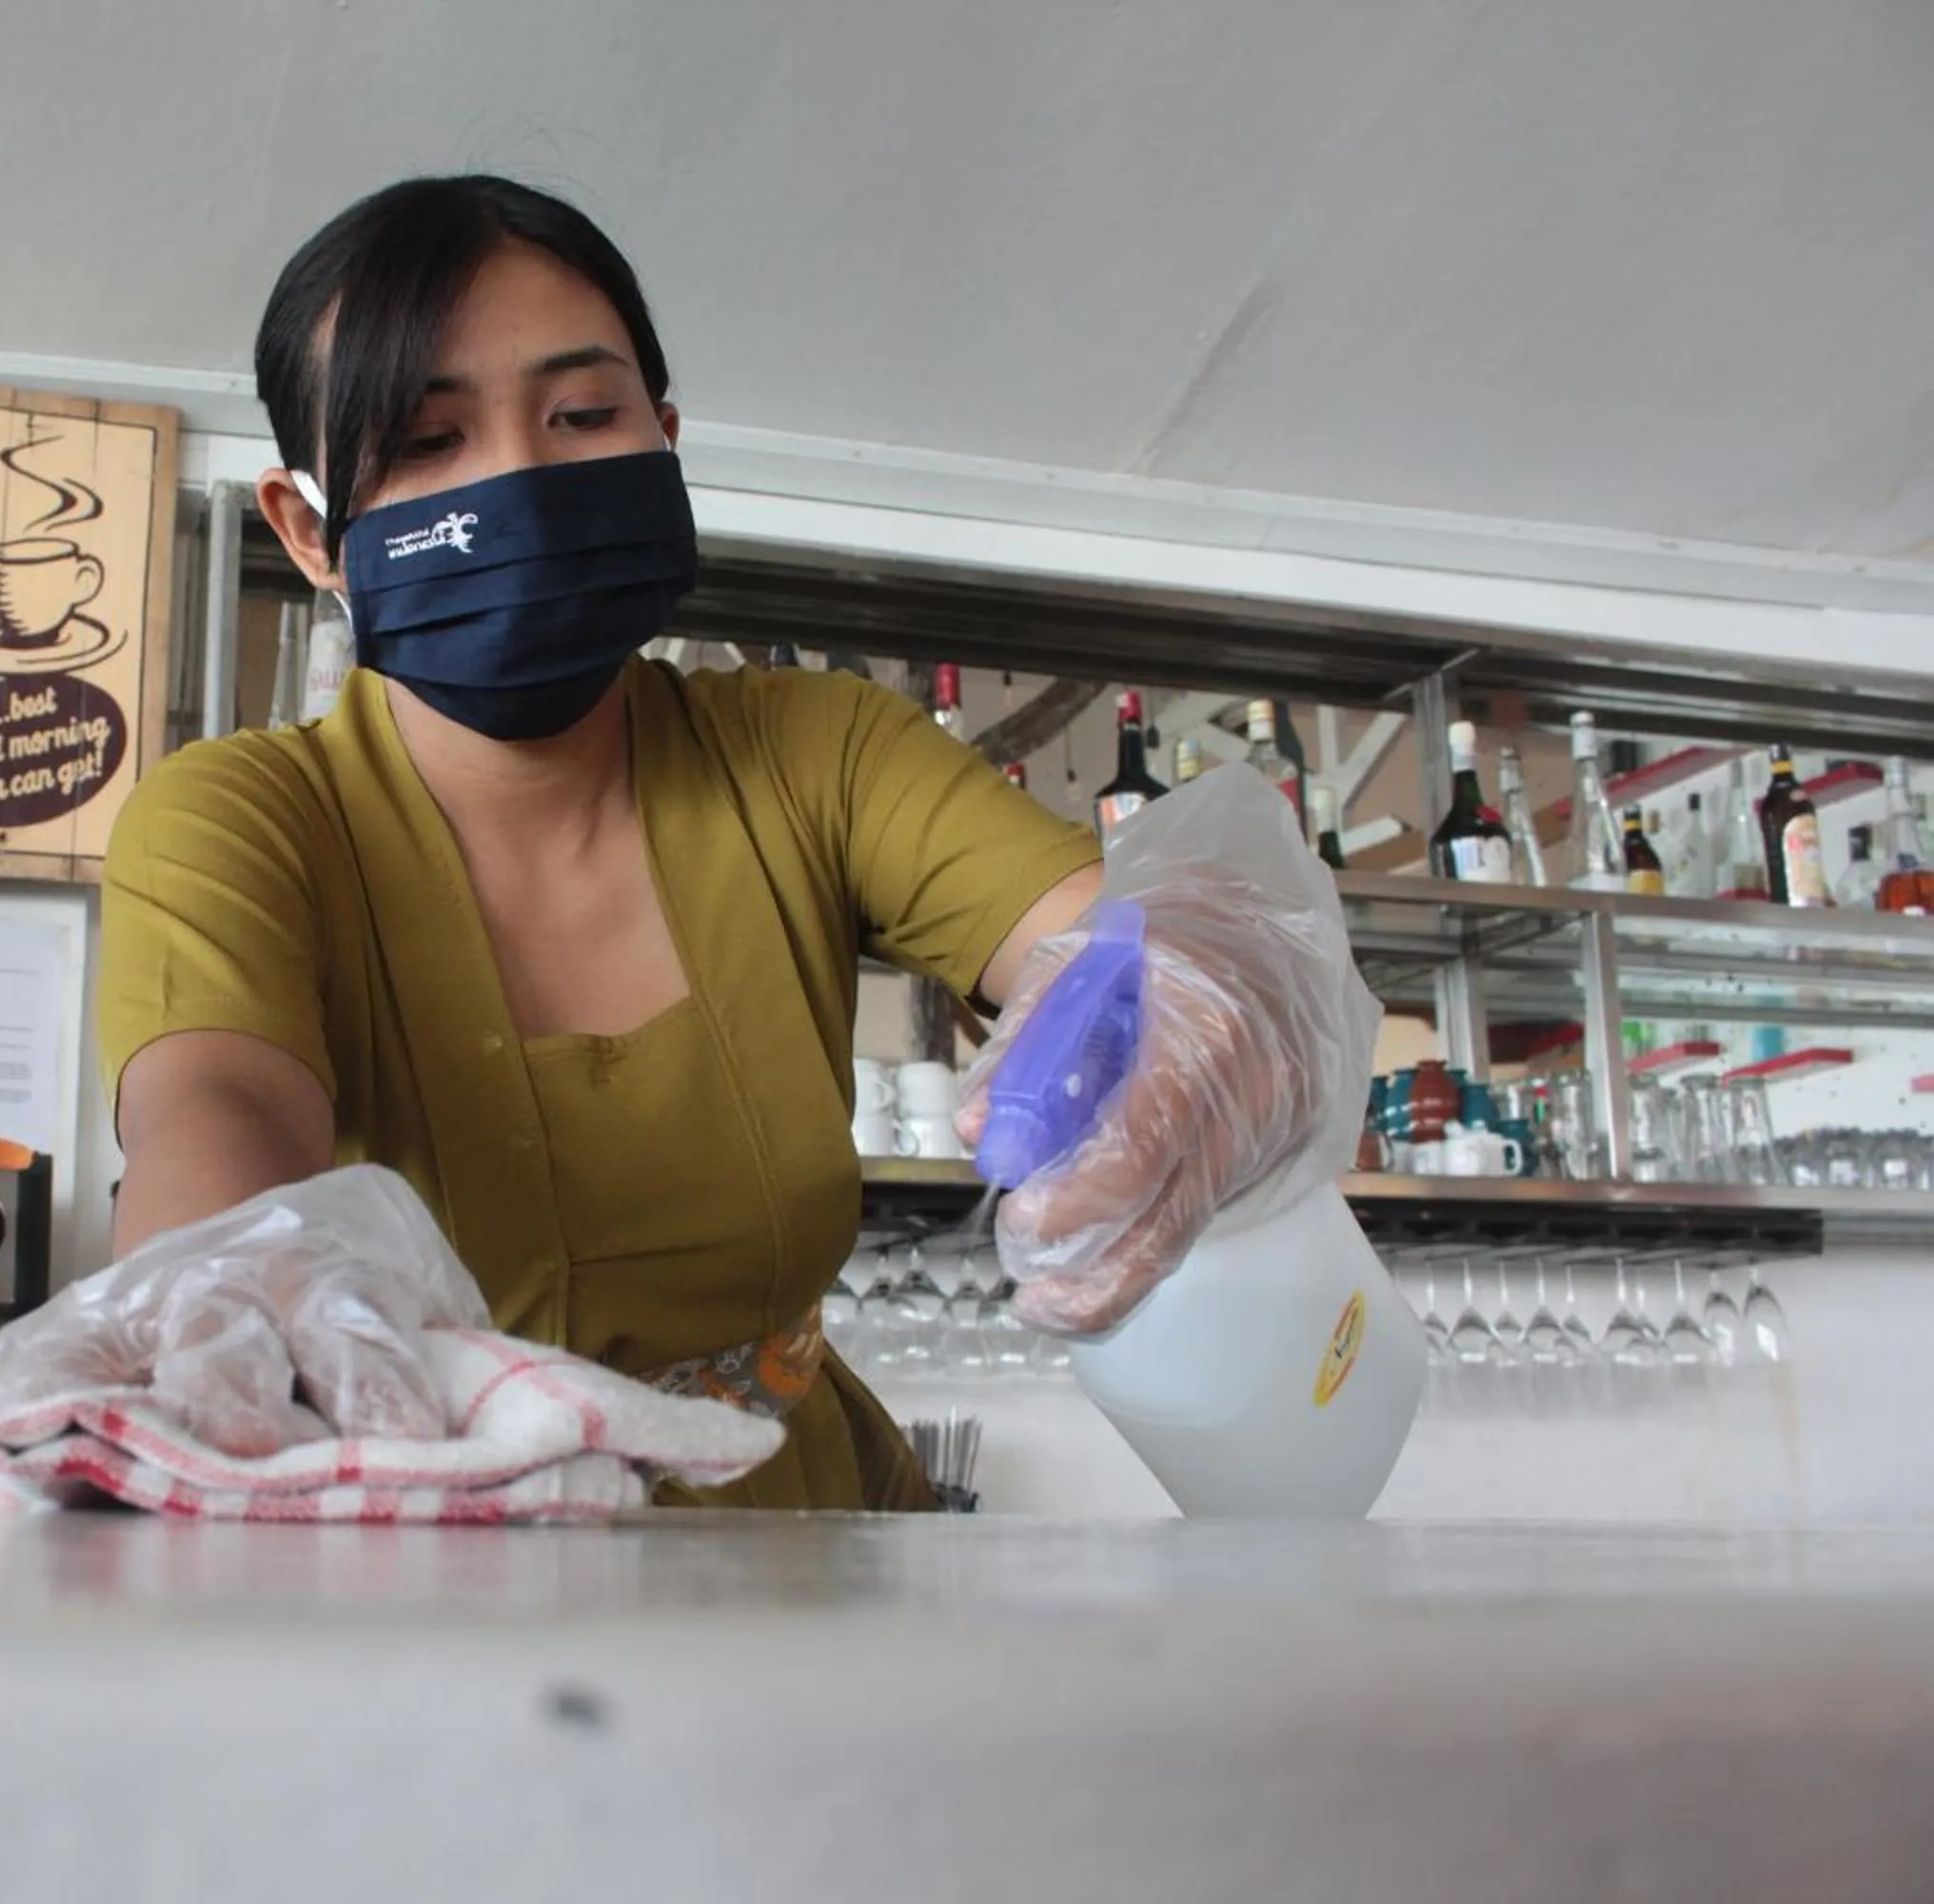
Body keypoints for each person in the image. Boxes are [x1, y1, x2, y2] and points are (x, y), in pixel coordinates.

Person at [94, 175, 1332, 1509]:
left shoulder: (816, 756)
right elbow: (217, 1114)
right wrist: (213, 1306)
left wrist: (1194, 994)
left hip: (809, 1540)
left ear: (662, 440)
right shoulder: (244, 819)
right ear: (309, 531)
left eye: (580, 416)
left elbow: (1109, 933)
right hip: (424, 1566)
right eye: (425, 440)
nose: (518, 476)